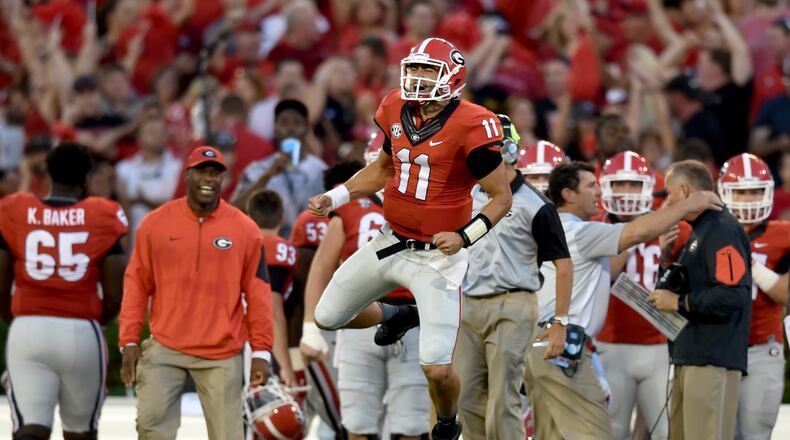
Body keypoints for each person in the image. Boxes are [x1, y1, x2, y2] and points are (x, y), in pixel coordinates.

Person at [308, 37, 513, 439]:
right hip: (390, 240)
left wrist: (463, 236)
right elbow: (382, 171)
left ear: (452, 76)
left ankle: (449, 420)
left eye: (428, 70)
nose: (417, 78)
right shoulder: (393, 107)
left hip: (437, 257)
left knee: (437, 370)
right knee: (328, 317)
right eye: (414, 68)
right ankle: (395, 315)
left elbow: (501, 197)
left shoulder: (474, 123)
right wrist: (334, 197)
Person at [525, 161, 721, 440]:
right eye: (590, 186)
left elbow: (614, 261)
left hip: (541, 345)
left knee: (553, 435)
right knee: (599, 434)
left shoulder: (556, 229)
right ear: (569, 194)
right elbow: (635, 233)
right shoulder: (579, 232)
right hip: (562, 348)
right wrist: (685, 205)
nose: (597, 192)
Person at [118, 146, 274, 440]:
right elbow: (137, 283)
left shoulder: (245, 229)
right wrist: (128, 339)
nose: (209, 179)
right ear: (187, 175)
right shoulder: (155, 223)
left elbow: (259, 294)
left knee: (229, 436)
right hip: (166, 346)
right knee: (150, 430)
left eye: (215, 173)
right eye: (202, 171)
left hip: (222, 352)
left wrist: (262, 351)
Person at [0, 142, 128, 440]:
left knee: (30, 427)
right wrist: (97, 320)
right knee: (81, 432)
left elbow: (0, 282)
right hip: (80, 330)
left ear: (48, 173)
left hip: (28, 328)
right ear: (85, 179)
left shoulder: (16, 208)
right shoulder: (102, 213)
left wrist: (15, 319)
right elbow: (114, 292)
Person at [456, 115, 572, 439]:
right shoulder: (468, 193)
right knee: (465, 398)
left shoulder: (535, 204)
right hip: (469, 304)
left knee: (502, 400)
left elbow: (563, 263)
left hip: (513, 303)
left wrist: (560, 320)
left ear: (506, 149)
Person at [301, 158, 431, 440]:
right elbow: (322, 266)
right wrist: (310, 325)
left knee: (411, 423)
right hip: (360, 318)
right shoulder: (348, 204)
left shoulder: (429, 198)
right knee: (358, 421)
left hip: (413, 318)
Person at [648, 160, 752, 440]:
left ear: (684, 190)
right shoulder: (701, 231)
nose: (668, 201)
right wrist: (667, 255)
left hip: (711, 359)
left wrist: (680, 304)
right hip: (693, 356)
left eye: (669, 193)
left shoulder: (721, 229)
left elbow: (734, 293)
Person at [595, 151, 692, 440]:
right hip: (611, 345)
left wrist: (666, 253)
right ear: (606, 187)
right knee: (614, 431)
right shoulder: (596, 227)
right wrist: (632, 232)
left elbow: (683, 283)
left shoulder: (673, 227)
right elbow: (611, 270)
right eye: (620, 185)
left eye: (634, 185)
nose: (626, 193)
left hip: (659, 346)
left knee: (667, 432)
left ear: (648, 186)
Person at [717, 154, 789, 440]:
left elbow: (785, 294)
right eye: (741, 191)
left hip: (762, 348)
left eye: (756, 191)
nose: (748, 199)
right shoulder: (708, 231)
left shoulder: (782, 234)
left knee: (756, 434)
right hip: (717, 349)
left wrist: (748, 262)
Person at [233, 99, 328, 238]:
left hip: (309, 251)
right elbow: (234, 211)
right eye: (284, 123)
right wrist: (267, 176)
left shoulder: (320, 171)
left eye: (297, 123)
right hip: (269, 249)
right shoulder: (258, 170)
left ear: (307, 129)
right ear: (275, 129)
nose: (291, 129)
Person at [246, 189, 298, 388]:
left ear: (249, 217)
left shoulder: (242, 244)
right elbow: (272, 310)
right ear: (282, 218)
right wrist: (285, 365)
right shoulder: (277, 249)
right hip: (255, 343)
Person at [115, 115, 182, 242]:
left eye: (161, 132)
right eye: (152, 132)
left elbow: (180, 206)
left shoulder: (178, 168)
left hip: (168, 238)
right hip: (133, 240)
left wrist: (143, 201)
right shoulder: (124, 169)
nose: (157, 136)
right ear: (139, 137)